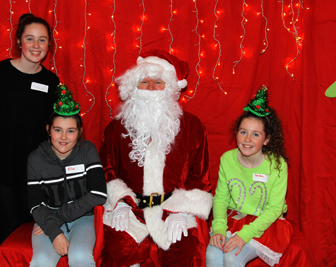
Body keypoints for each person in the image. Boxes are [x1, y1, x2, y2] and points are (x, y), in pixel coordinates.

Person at [99, 49, 213, 266]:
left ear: (169, 88)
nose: (151, 88)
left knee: (187, 253)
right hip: (131, 210)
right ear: (134, 86)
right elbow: (106, 169)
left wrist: (180, 211)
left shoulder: (192, 127)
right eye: (144, 82)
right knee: (117, 251)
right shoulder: (115, 129)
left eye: (158, 82)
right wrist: (120, 202)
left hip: (174, 211)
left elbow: (200, 176)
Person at [0, 13, 60, 251]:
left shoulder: (51, 81)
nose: (36, 45)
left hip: (35, 170)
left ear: (49, 45)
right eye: (30, 38)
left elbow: (53, 128)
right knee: (10, 223)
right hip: (0, 169)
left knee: (26, 224)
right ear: (19, 42)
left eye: (42, 40)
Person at [206, 86, 293, 267]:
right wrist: (219, 228)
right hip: (234, 219)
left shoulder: (277, 165)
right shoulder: (227, 159)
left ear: (266, 140)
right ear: (236, 133)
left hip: (264, 223)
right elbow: (221, 198)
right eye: (243, 132)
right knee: (212, 255)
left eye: (256, 134)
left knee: (232, 257)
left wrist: (244, 235)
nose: (247, 139)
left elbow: (274, 209)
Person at [27, 84, 107, 267]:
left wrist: (58, 217)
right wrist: (54, 231)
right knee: (41, 261)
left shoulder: (87, 151)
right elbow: (34, 204)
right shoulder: (36, 158)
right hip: (48, 218)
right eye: (57, 130)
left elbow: (99, 194)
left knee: (79, 256)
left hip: (83, 218)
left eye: (70, 131)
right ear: (48, 130)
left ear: (79, 133)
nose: (63, 137)